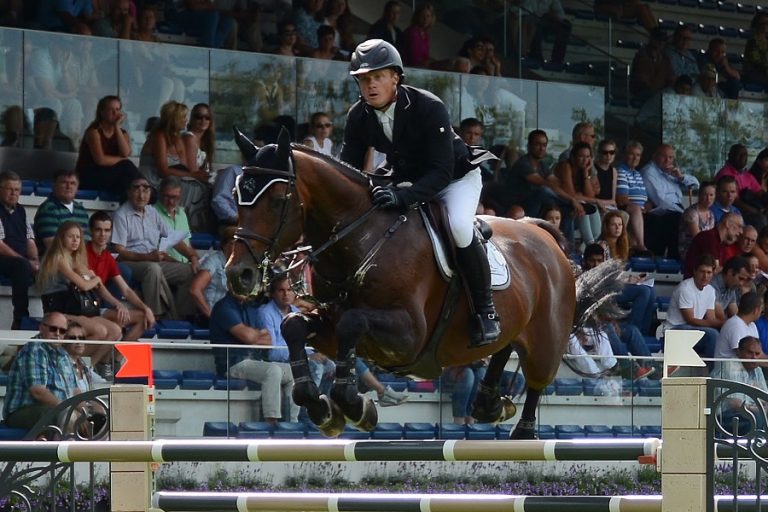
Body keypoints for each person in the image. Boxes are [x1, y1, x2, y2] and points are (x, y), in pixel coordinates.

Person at [340, 39, 499, 347]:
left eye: (377, 77)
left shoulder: (428, 106)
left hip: (455, 178)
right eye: (363, 79)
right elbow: (348, 172)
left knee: (459, 227)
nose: (370, 85)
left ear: (395, 77)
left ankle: (485, 311)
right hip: (407, 178)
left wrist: (402, 197)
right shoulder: (357, 116)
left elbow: (441, 171)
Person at [37, 221, 123, 373]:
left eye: (78, 237)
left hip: (73, 310)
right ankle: (69, 364)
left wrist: (117, 303)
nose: (75, 240)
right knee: (100, 331)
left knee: (116, 331)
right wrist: (96, 279)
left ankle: (87, 368)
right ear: (61, 238)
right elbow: (84, 285)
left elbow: (98, 287)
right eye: (71, 236)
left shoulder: (76, 260)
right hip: (57, 310)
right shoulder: (59, 257)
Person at [111, 176, 196, 320]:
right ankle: (156, 315)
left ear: (150, 194)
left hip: (152, 261)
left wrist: (192, 257)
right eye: (137, 190)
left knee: (188, 270)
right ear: (129, 193)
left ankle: (182, 316)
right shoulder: (121, 215)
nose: (141, 195)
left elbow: (173, 238)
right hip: (130, 263)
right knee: (153, 269)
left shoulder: (152, 212)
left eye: (145, 190)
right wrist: (147, 257)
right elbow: (119, 251)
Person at [210, 290, 296, 425]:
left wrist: (253, 335)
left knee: (293, 371)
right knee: (273, 370)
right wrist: (254, 335)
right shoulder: (223, 307)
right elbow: (248, 337)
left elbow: (268, 340)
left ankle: (292, 423)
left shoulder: (249, 307)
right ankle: (271, 422)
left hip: (254, 361)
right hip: (231, 363)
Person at [86, 210, 155, 342]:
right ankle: (111, 359)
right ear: (90, 231)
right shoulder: (83, 253)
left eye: (107, 230)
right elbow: (98, 286)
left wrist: (146, 308)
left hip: (100, 308)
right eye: (98, 230)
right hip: (85, 309)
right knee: (117, 327)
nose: (102, 235)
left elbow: (126, 290)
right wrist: (118, 304)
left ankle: (117, 359)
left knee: (144, 317)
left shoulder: (108, 257)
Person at [2, 312, 77, 429]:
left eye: (62, 331)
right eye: (53, 329)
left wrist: (87, 409)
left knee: (100, 417)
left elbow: (75, 390)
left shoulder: (63, 355)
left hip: (55, 409)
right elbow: (38, 392)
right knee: (64, 416)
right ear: (41, 328)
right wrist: (67, 408)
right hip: (22, 411)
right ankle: (63, 447)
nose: (57, 334)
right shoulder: (34, 350)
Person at [504, 130, 579, 242]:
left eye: (544, 145)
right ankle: (568, 204)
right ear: (529, 146)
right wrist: (571, 200)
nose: (541, 148)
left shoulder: (542, 166)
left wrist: (572, 199)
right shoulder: (523, 164)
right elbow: (544, 183)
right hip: (520, 206)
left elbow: (557, 183)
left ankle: (569, 250)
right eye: (538, 144)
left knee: (567, 210)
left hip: (538, 206)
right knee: (543, 191)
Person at [75, 95, 141, 201]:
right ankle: (146, 189)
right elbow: (100, 160)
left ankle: (140, 193)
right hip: (90, 176)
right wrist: (122, 160)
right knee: (126, 166)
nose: (115, 113)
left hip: (111, 176)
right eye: (111, 109)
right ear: (102, 112)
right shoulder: (94, 132)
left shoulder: (122, 133)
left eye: (117, 109)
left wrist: (117, 127)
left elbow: (125, 153)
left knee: (126, 181)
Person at [642, 143, 700, 260]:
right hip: (660, 214)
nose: (667, 160)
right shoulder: (649, 172)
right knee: (679, 220)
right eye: (664, 156)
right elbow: (661, 202)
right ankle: (677, 260)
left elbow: (696, 185)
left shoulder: (671, 172)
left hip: (675, 211)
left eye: (671, 157)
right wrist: (683, 213)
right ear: (655, 156)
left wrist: (681, 177)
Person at [663, 254, 723, 359]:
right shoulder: (685, 288)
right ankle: (712, 370)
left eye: (709, 272)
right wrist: (722, 323)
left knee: (718, 334)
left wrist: (724, 325)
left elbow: (711, 319)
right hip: (674, 330)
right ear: (695, 271)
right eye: (702, 272)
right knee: (713, 334)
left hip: (694, 329)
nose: (705, 276)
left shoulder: (710, 290)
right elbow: (690, 320)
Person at [0, 171, 39, 329]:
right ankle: (21, 318)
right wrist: (25, 261)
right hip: (3, 258)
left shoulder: (21, 211)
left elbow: (29, 239)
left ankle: (53, 314)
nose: (13, 193)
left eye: (17, 190)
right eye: (9, 189)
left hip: (18, 258)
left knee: (51, 263)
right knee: (21, 266)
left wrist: (36, 260)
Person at [710, 336, 767, 435]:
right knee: (756, 416)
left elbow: (765, 398)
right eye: (750, 353)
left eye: (757, 354)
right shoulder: (730, 366)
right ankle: (753, 448)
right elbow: (736, 404)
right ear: (739, 352)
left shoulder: (757, 369)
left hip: (747, 414)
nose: (754, 357)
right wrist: (759, 409)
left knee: (758, 415)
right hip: (721, 417)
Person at [553, 142, 602, 246]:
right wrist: (594, 200)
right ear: (573, 157)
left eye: (588, 157)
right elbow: (571, 194)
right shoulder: (565, 166)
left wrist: (585, 173)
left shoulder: (585, 170)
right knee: (583, 206)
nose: (585, 160)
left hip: (576, 205)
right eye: (581, 156)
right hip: (560, 206)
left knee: (591, 207)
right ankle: (591, 245)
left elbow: (590, 195)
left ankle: (594, 245)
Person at [33, 169, 91, 255]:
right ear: (54, 185)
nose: (69, 186)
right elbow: (53, 247)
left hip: (81, 261)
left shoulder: (81, 210)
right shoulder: (48, 209)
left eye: (72, 183)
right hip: (57, 264)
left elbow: (87, 241)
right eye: (64, 182)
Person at [189, 226, 236, 325]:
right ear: (225, 244)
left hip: (233, 316)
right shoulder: (213, 261)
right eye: (234, 243)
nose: (238, 248)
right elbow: (195, 290)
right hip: (213, 316)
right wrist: (212, 315)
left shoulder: (242, 265)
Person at [715, 144, 767, 231]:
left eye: (745, 155)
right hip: (732, 210)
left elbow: (760, 192)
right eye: (740, 154)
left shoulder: (746, 174)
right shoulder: (725, 174)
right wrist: (755, 211)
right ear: (730, 156)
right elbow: (734, 201)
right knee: (760, 219)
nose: (743, 157)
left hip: (750, 209)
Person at [154, 176, 199, 267]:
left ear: (180, 195)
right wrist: (181, 265)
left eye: (174, 197)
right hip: (165, 264)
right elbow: (155, 251)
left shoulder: (182, 213)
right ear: (160, 193)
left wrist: (196, 259)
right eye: (167, 196)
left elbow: (188, 244)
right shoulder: (152, 213)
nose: (171, 201)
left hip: (185, 263)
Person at [683, 212, 743, 279]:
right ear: (728, 224)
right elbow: (715, 270)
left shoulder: (721, 243)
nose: (741, 232)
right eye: (739, 226)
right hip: (694, 285)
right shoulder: (709, 237)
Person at [616, 141, 649, 253]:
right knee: (635, 210)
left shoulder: (637, 174)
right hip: (625, 207)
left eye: (638, 155)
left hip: (638, 209)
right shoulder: (621, 171)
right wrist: (638, 208)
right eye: (632, 154)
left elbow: (644, 197)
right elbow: (621, 198)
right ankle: (641, 246)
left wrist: (646, 207)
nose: (635, 158)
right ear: (625, 155)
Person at [518, 0, 571, 64]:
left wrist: (555, 16)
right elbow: (526, 12)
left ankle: (556, 61)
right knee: (535, 23)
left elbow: (560, 15)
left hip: (545, 19)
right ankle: (536, 58)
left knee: (566, 25)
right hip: (532, 19)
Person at [630, 28, 675, 103]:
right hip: (643, 93)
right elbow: (644, 81)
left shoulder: (665, 59)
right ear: (651, 39)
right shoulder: (641, 57)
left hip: (660, 94)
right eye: (658, 39)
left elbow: (671, 77)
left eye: (663, 40)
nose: (661, 42)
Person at [713, 292, 762, 359]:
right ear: (756, 310)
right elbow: (744, 355)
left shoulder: (752, 325)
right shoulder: (735, 325)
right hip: (727, 368)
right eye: (761, 309)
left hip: (744, 367)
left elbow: (759, 354)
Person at [680, 181, 716, 262]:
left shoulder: (711, 214)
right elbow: (698, 238)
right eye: (705, 195)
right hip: (690, 251)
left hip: (704, 250)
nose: (708, 198)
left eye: (711, 195)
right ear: (699, 195)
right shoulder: (692, 212)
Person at [182, 103, 215, 177]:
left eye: (207, 117)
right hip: (187, 181)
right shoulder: (189, 138)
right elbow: (192, 170)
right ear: (192, 119)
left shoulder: (205, 141)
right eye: (199, 117)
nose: (203, 120)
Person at [401, 3, 434, 68]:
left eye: (428, 16)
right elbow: (414, 58)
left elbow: (425, 56)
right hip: (412, 67)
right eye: (422, 16)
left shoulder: (425, 35)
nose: (425, 19)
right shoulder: (412, 32)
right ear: (417, 16)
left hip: (422, 65)